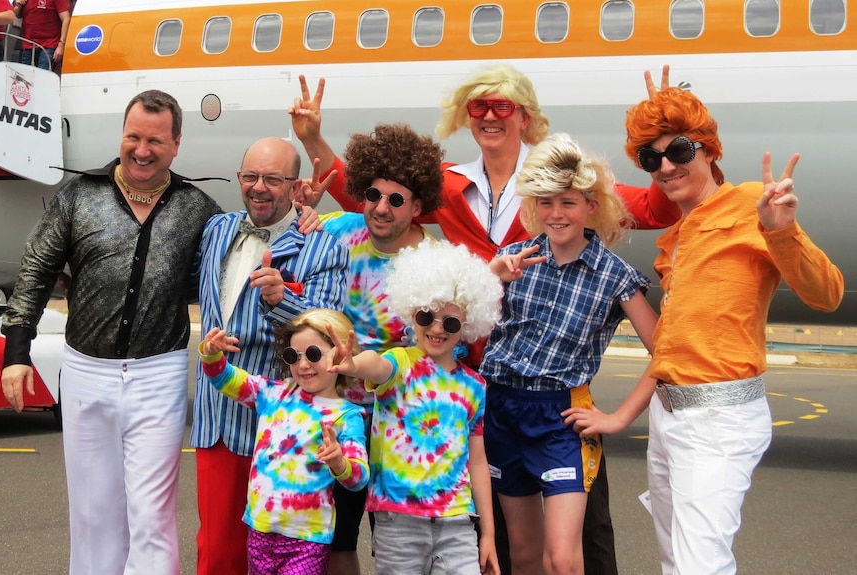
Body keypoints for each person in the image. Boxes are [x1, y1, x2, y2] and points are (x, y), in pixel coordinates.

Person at [290, 64, 680, 574]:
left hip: (555, 397)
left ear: (526, 116)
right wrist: (314, 139)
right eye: (479, 107)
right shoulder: (452, 186)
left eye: (504, 106)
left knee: (583, 540)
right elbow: (372, 198)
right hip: (476, 386)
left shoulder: (558, 179)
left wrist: (666, 135)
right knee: (496, 537)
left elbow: (657, 208)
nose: (491, 116)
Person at [568, 79, 844, 575]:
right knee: (677, 561)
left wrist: (781, 231)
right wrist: (620, 417)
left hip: (721, 421)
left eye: (678, 150)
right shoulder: (679, 234)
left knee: (700, 566)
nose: (667, 166)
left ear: (708, 150)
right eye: (652, 160)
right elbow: (672, 348)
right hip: (670, 418)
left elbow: (827, 295)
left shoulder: (753, 206)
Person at [0, 89, 222, 574]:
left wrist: (303, 218)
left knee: (151, 516)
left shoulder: (198, 209)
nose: (142, 150)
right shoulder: (78, 196)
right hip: (85, 373)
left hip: (158, 374)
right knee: (93, 513)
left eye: (156, 141)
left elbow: (232, 270)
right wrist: (17, 353)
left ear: (177, 143)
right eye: (134, 137)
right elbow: (36, 271)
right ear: (122, 135)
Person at [481, 133, 659, 575]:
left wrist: (618, 419)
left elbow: (667, 352)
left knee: (562, 558)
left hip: (560, 418)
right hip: (500, 409)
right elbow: (452, 324)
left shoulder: (615, 276)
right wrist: (490, 278)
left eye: (568, 203)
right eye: (545, 203)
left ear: (591, 207)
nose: (555, 214)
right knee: (521, 552)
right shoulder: (511, 258)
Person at [191, 137, 350, 575]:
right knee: (218, 553)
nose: (259, 187)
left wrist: (283, 300)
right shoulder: (216, 229)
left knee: (280, 560)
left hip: (282, 430)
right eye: (250, 177)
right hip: (218, 417)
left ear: (295, 186)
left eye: (273, 179)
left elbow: (331, 327)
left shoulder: (324, 247)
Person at [328, 239, 503, 575]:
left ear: (467, 326)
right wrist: (353, 366)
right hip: (399, 520)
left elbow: (478, 461)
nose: (437, 328)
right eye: (426, 316)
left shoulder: (474, 386)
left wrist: (489, 534)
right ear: (411, 314)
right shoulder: (400, 362)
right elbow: (375, 365)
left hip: (458, 522)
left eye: (450, 323)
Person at [316, 122, 445, 575]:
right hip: (338, 418)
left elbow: (438, 354)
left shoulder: (432, 263)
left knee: (397, 550)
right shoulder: (338, 231)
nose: (381, 208)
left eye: (395, 198)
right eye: (373, 195)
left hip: (396, 423)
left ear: (418, 204)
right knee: (337, 540)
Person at [198, 308, 369, 575]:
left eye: (313, 354)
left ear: (340, 352)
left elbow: (358, 478)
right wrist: (211, 354)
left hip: (308, 538)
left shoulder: (347, 415)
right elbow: (225, 379)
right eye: (293, 356)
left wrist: (339, 462)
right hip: (260, 528)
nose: (302, 365)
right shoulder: (274, 393)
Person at [12, 0, 70, 71]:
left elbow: (66, 19)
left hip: (49, 45)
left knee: (43, 77)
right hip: (28, 44)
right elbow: (16, 14)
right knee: (26, 78)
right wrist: (18, 4)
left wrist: (61, 45)